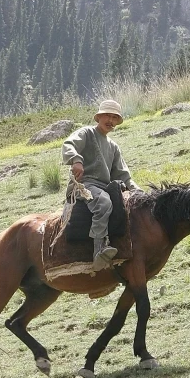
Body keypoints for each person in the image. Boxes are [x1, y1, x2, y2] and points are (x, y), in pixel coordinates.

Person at [62, 99, 140, 270]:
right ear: (99, 117)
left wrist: (136, 190)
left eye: (114, 117)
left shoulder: (113, 147)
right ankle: (99, 250)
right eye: (107, 116)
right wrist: (76, 160)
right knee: (103, 202)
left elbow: (123, 174)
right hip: (83, 185)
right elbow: (69, 144)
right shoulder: (87, 133)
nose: (110, 120)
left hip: (103, 188)